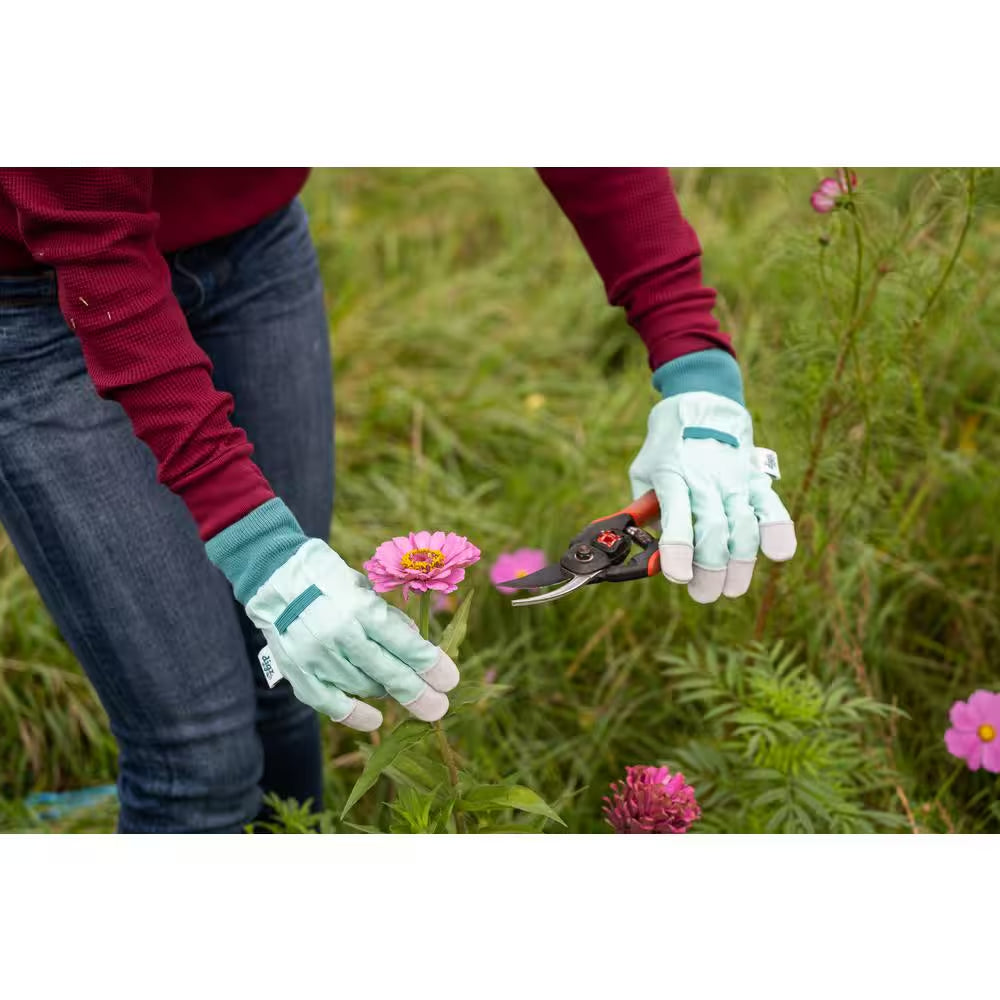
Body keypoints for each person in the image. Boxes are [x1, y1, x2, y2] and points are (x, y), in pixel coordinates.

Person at [0, 168, 796, 833]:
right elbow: (93, 239)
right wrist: (261, 548)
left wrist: (695, 365)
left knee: (287, 689)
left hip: (254, 240)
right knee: (198, 754)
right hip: (42, 288)